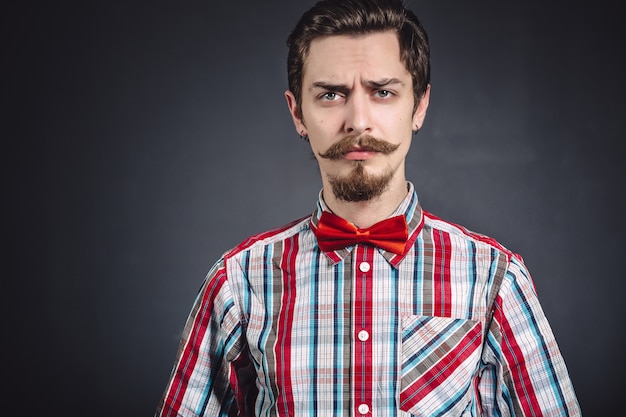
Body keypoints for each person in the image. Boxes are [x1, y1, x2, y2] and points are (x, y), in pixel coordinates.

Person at [155, 0, 581, 415]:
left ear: (419, 106)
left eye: (382, 92)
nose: (358, 120)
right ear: (297, 113)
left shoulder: (495, 278)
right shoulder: (236, 282)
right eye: (330, 95)